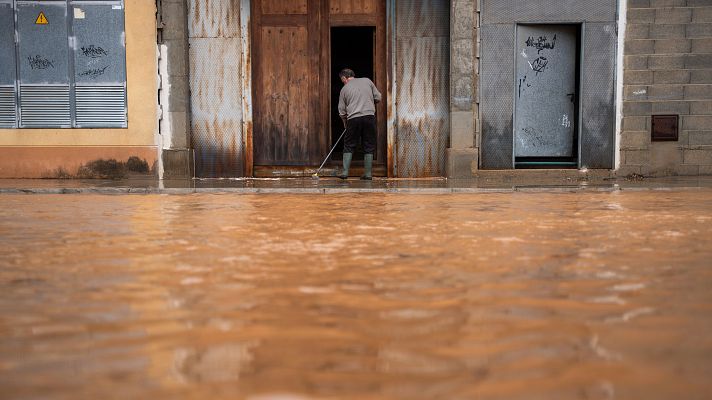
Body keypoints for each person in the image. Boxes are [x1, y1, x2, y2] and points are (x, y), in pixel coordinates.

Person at [337, 68, 381, 180]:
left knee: (349, 144)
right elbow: (378, 97)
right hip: (369, 117)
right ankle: (368, 174)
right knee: (369, 144)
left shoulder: (344, 89)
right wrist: (369, 101)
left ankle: (345, 172)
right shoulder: (367, 81)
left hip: (353, 119)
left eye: (342, 79)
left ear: (344, 78)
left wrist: (345, 123)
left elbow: (342, 111)